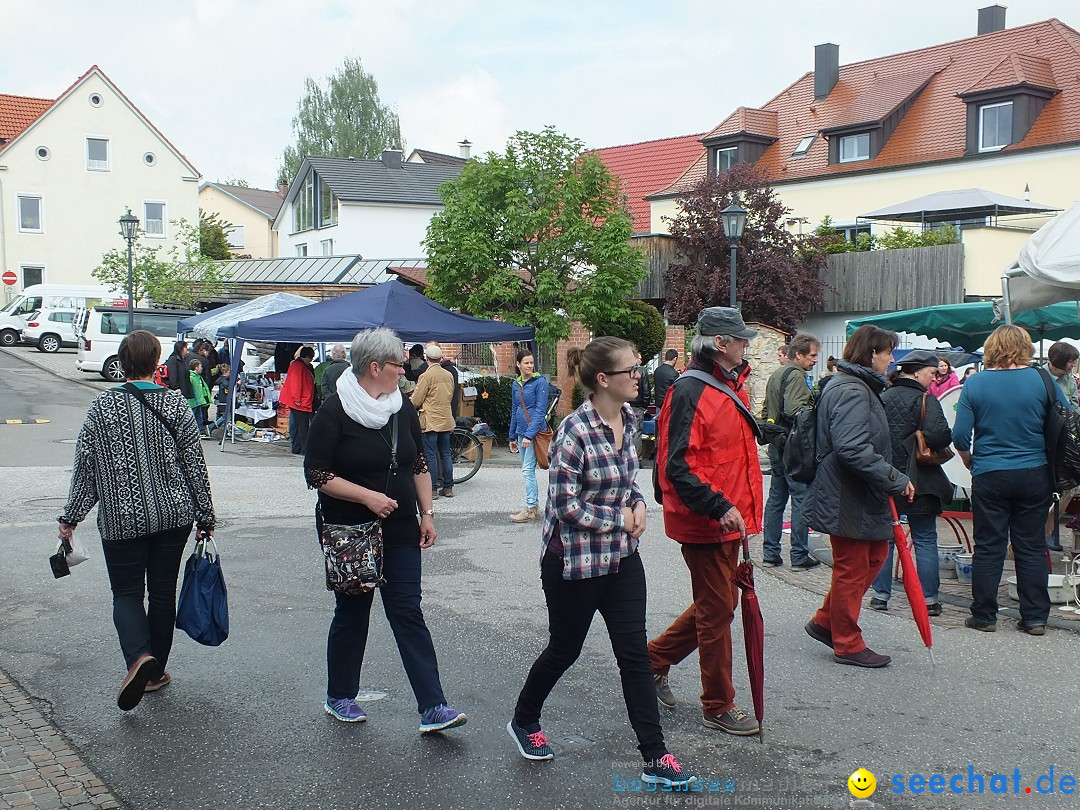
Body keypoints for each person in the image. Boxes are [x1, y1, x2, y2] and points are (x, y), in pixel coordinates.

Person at [508, 337, 698, 788]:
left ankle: (655, 756)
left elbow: (629, 483)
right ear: (603, 379)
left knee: (634, 655)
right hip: (573, 564)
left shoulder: (629, 420)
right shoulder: (574, 431)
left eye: (638, 368)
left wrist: (639, 506)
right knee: (564, 650)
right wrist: (622, 517)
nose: (639, 376)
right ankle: (523, 719)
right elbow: (565, 505)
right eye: (631, 369)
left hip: (621, 559)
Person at [304, 327, 467, 730]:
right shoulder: (334, 411)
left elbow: (417, 464)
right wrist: (367, 497)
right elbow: (317, 473)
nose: (404, 371)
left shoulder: (402, 408)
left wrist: (427, 513)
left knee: (407, 611)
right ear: (374, 367)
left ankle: (433, 706)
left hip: (399, 527)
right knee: (353, 613)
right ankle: (340, 695)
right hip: (351, 528)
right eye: (398, 365)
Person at [58, 330, 215, 711]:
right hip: (172, 515)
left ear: (123, 362)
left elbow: (87, 469)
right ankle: (155, 671)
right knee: (162, 592)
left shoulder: (101, 408)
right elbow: (195, 464)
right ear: (156, 362)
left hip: (121, 519)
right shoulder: (176, 405)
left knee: (126, 594)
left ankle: (137, 657)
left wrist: (71, 517)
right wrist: (206, 515)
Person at [648, 307, 763, 737]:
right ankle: (718, 704)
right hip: (707, 520)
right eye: (740, 338)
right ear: (720, 343)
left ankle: (653, 661)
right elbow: (677, 466)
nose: (746, 344)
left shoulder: (728, 386)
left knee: (717, 605)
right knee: (717, 612)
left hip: (725, 518)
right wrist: (719, 507)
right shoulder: (691, 390)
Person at [802, 325, 914, 668]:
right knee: (853, 567)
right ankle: (847, 642)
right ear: (871, 354)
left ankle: (826, 620)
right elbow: (852, 448)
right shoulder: (852, 389)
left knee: (873, 557)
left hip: (856, 492)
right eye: (887, 353)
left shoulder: (855, 386)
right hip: (846, 492)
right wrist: (895, 478)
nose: (892, 360)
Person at [953, 324, 1066, 635]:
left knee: (989, 546)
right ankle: (1034, 618)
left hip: (990, 473)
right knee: (1030, 545)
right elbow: (1067, 417)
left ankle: (985, 616)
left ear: (992, 348)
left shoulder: (976, 384)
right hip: (1035, 472)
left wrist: (969, 461)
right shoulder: (1043, 380)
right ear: (1025, 347)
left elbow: (960, 435)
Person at [870, 349, 953, 616]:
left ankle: (881, 595)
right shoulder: (925, 400)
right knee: (925, 538)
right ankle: (928, 599)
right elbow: (940, 437)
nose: (933, 379)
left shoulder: (881, 397)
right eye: (931, 373)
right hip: (920, 480)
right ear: (917, 372)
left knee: (887, 539)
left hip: (885, 477)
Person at [761, 333, 821, 569]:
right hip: (792, 446)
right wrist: (812, 407)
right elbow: (796, 410)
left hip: (777, 443)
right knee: (800, 499)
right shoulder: (796, 375)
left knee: (776, 499)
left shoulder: (777, 374)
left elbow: (767, 408)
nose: (815, 360)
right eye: (813, 355)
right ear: (799, 354)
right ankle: (799, 555)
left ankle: (770, 553)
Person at [508, 349, 550, 523]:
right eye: (526, 363)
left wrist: (529, 435)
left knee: (527, 470)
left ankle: (531, 508)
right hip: (521, 432)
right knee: (527, 471)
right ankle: (533, 507)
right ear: (518, 365)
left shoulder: (540, 382)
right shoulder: (516, 384)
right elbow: (514, 410)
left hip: (534, 433)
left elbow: (541, 411)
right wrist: (512, 436)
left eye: (531, 362)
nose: (530, 366)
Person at [411, 344, 457, 498]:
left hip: (430, 420)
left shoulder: (426, 376)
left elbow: (417, 400)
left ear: (427, 358)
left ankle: (432, 490)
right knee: (446, 454)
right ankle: (448, 488)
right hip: (446, 418)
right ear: (440, 358)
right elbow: (450, 396)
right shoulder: (448, 374)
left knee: (430, 455)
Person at [280, 346, 316, 455]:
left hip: (300, 401)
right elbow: (296, 383)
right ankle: (304, 449)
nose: (311, 360)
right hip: (300, 402)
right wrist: (297, 399)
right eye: (311, 357)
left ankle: (297, 448)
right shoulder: (298, 366)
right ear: (307, 356)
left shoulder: (298, 365)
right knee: (302, 427)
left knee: (298, 426)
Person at [1047, 341, 1079, 412]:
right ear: (1058, 361)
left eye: (1075, 361)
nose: (1074, 365)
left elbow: (1074, 408)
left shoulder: (1070, 380)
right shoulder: (1038, 377)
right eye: (1070, 361)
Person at [187, 357, 213, 438]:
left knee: (199, 417)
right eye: (200, 366)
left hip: (199, 401)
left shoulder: (198, 377)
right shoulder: (192, 377)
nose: (202, 368)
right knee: (193, 417)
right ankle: (192, 432)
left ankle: (201, 431)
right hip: (193, 401)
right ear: (196, 367)